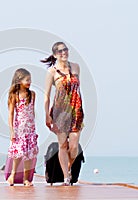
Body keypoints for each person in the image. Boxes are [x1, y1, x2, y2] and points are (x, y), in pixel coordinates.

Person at [42, 42, 84, 186]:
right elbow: (46, 96)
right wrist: (47, 115)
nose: (63, 53)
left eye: (65, 50)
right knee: (63, 145)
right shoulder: (52, 72)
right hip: (60, 112)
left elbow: (76, 89)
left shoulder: (76, 67)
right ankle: (66, 177)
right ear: (55, 55)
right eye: (59, 51)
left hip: (76, 110)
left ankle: (68, 168)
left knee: (73, 147)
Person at [6, 68, 39, 186]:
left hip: (30, 128)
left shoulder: (32, 94)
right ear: (19, 80)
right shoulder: (14, 95)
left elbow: (32, 111)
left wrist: (33, 126)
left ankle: (26, 178)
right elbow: (11, 114)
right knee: (18, 153)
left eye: (30, 79)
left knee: (29, 154)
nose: (30, 82)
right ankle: (12, 175)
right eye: (27, 80)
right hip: (19, 128)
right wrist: (12, 131)